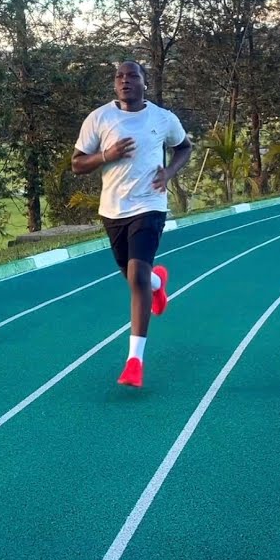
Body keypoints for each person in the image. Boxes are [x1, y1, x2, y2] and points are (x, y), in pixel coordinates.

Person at [72, 60, 193, 388]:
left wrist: (168, 173)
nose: (125, 81)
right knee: (134, 276)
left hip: (150, 206)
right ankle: (157, 283)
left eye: (132, 76)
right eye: (120, 77)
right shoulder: (99, 119)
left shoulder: (162, 119)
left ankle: (134, 361)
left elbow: (184, 147)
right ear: (115, 85)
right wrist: (106, 156)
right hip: (113, 210)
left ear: (144, 82)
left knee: (135, 276)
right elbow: (78, 164)